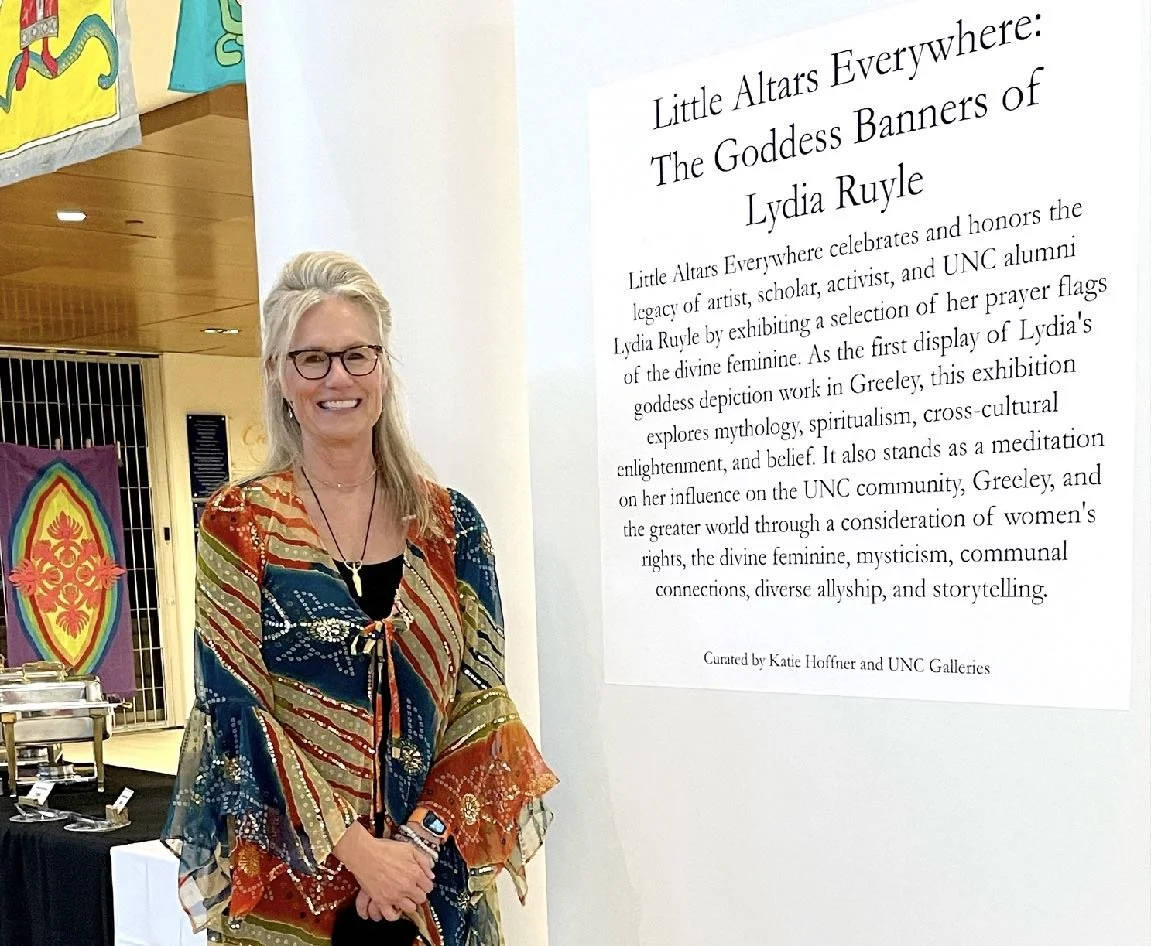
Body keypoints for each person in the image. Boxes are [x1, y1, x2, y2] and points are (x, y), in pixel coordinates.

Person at [162, 250, 557, 946]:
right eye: (310, 359)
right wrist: (359, 853)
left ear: (382, 369)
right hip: (294, 887)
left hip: (429, 887)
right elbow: (236, 711)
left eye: (355, 355)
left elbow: (481, 701)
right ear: (280, 377)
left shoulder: (451, 525)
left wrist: (414, 850)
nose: (335, 378)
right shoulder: (237, 524)